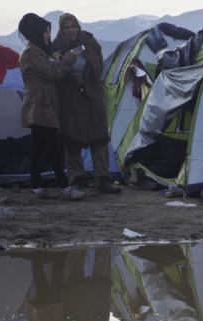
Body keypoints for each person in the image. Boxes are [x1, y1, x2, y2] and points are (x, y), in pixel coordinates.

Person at [18, 13, 85, 200]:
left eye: (49, 31)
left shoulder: (37, 50)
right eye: (45, 32)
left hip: (41, 102)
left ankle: (37, 188)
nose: (48, 35)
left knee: (38, 147)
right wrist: (69, 58)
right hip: (40, 103)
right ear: (35, 31)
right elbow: (52, 73)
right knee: (55, 147)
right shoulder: (32, 52)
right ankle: (65, 188)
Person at [52, 13, 121, 194]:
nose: (70, 30)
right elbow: (56, 73)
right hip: (70, 99)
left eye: (73, 26)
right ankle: (77, 180)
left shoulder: (90, 43)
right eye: (66, 27)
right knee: (72, 141)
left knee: (99, 139)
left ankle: (103, 180)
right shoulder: (56, 48)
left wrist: (92, 86)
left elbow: (98, 66)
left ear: (78, 27)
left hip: (93, 96)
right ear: (61, 29)